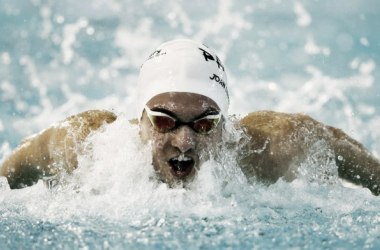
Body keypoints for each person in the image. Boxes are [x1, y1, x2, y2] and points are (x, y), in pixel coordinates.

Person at [1, 39, 380, 194]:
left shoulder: (275, 146)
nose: (184, 142)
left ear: (225, 124)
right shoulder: (82, 146)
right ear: (140, 120)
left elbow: (351, 157)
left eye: (204, 124)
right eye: (165, 120)